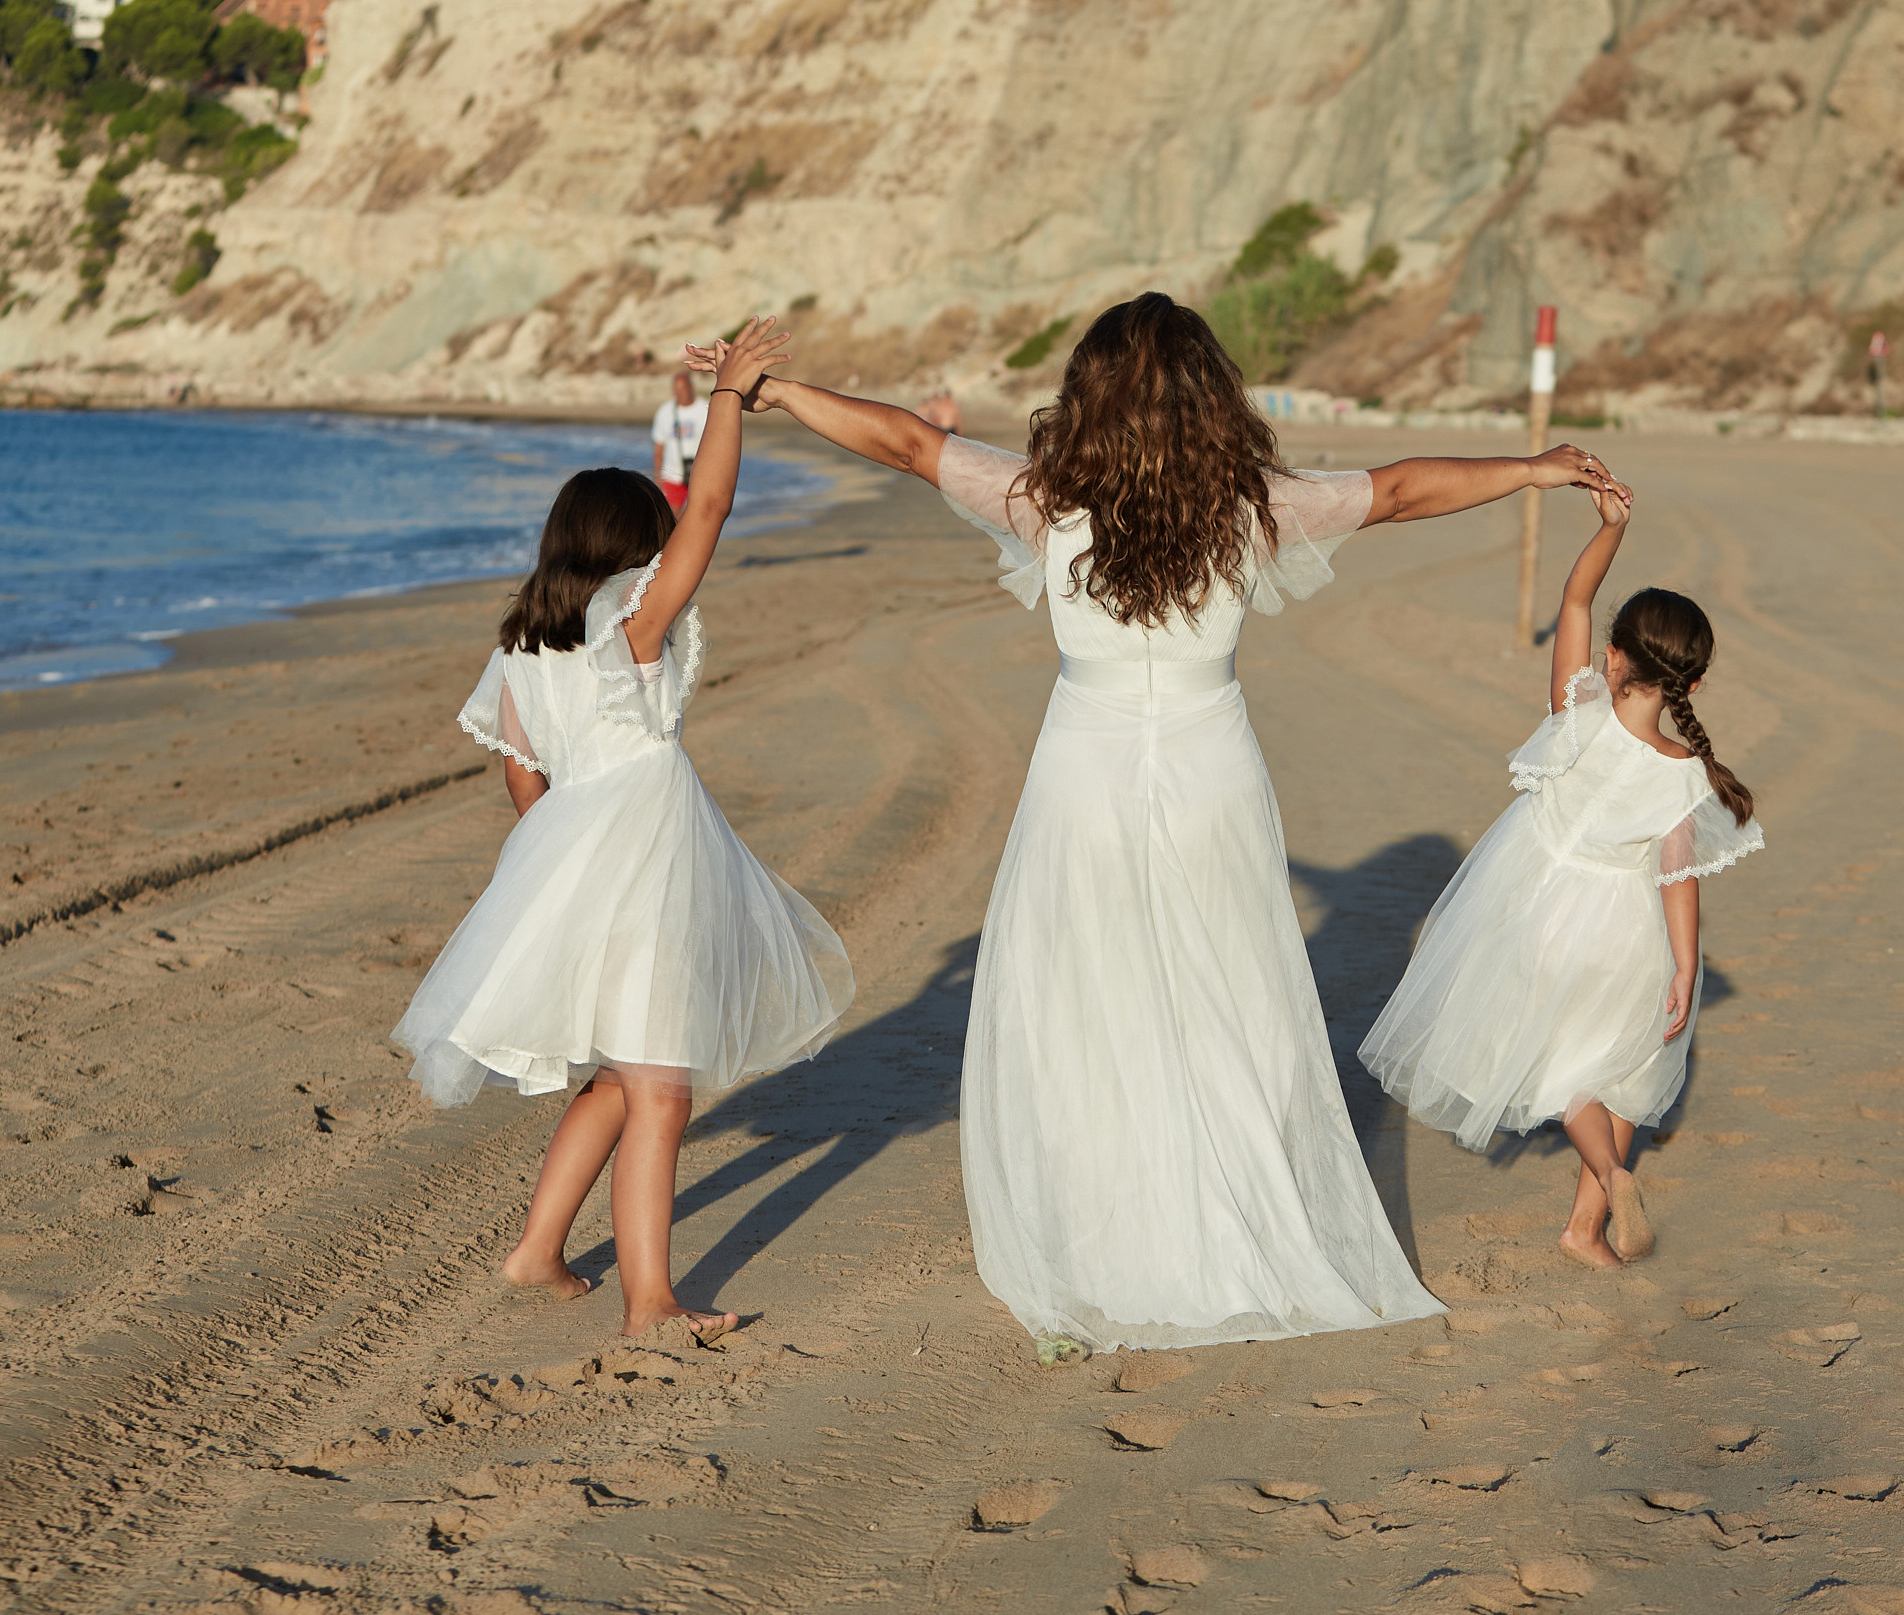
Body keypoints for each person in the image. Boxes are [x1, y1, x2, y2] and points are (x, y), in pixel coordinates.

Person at [688, 293, 1623, 1354]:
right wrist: (1531, 468)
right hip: (1209, 765)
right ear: (1212, 398)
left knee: (1088, 996)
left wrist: (769, 389)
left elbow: (907, 443)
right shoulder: (1251, 506)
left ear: (1085, 394)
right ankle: (1228, 1216)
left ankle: (1108, 1230)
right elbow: (1405, 490)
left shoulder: (1046, 497)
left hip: (1082, 768)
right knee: (1228, 992)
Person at [393, 319, 853, 1344]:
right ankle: (651, 1299)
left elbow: (523, 773)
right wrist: (727, 397)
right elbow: (716, 506)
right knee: (660, 1087)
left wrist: (559, 861)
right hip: (644, 857)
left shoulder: (524, 645)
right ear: (631, 554)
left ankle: (537, 1251)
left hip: (569, 854)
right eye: (654, 542)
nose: (664, 558)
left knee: (617, 1072)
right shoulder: (628, 622)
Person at [1357, 489, 1763, 1271]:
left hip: (1536, 909)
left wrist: (1613, 527)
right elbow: (1678, 878)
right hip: (1625, 930)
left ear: (1612, 659)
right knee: (1627, 1075)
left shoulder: (1576, 710)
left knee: (1563, 1068)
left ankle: (1611, 1184)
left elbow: (1575, 596)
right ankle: (1585, 1225)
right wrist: (1684, 965)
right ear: (1694, 685)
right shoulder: (1683, 770)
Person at [650, 372, 708, 511]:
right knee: (672, 518)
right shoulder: (665, 411)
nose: (679, 393)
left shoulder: (705, 409)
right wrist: (658, 478)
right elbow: (659, 447)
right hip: (672, 475)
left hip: (700, 474)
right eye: (676, 389)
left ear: (692, 388)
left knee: (699, 516)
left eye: (683, 388)